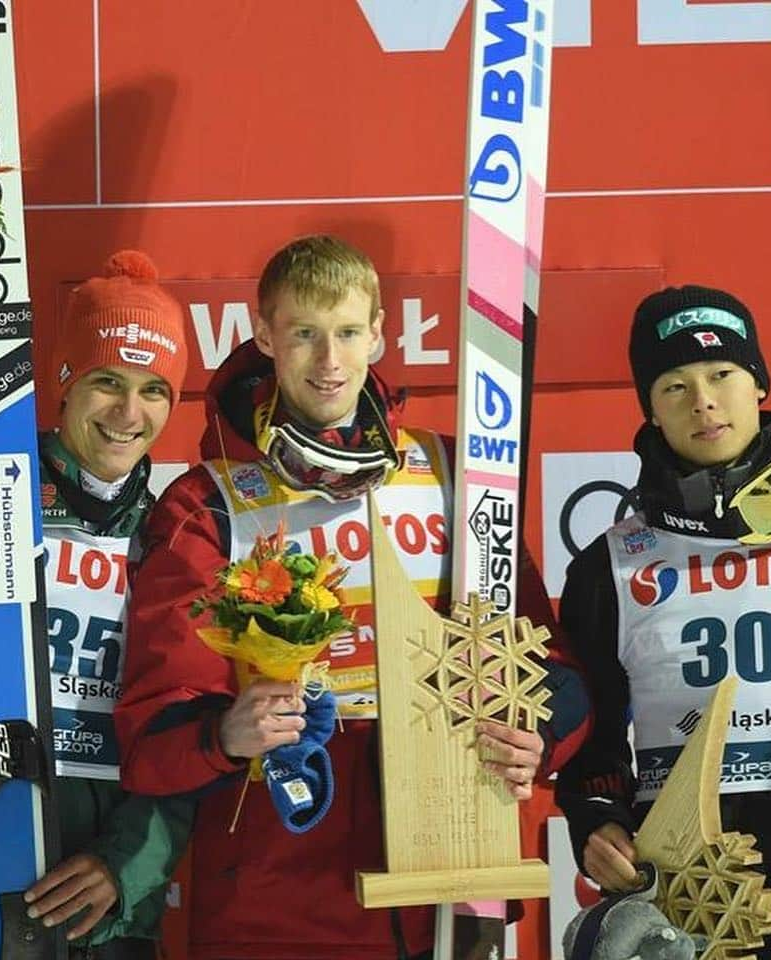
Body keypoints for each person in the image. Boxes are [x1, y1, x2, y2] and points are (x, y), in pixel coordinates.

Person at [114, 234, 591, 960]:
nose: (328, 360)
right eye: (304, 334)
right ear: (266, 335)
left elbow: (549, 663)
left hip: (449, 883)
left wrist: (540, 737)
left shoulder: (454, 473)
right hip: (278, 907)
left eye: (345, 333)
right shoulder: (204, 503)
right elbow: (153, 739)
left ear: (378, 333)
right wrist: (224, 734)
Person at [0, 251, 195, 960]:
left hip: (108, 921)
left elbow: (190, 743)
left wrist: (125, 867)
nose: (128, 413)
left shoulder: (182, 537)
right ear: (64, 379)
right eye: (108, 381)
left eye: (154, 390)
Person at [555, 285, 771, 958]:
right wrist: (596, 820)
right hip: (685, 872)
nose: (703, 401)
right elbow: (591, 739)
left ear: (758, 382)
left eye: (722, 375)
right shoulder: (610, 565)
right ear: (649, 406)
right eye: (674, 385)